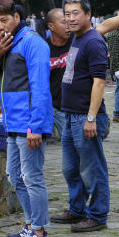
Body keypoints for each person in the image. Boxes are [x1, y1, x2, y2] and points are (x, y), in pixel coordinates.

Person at [51, 0, 119, 232]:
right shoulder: (81, 35)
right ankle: (77, 209)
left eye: (76, 13)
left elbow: (99, 82)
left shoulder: (92, 42)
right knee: (70, 168)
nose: (71, 18)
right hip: (71, 113)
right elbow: (107, 24)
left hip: (86, 115)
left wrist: (92, 118)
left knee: (92, 168)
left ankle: (97, 215)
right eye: (67, 14)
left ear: (87, 15)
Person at [0, 0, 54, 237]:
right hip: (12, 123)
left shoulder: (33, 43)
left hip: (29, 124)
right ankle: (31, 223)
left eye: (4, 20)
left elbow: (40, 88)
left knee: (32, 177)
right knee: (15, 176)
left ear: (16, 18)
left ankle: (39, 231)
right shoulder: (4, 45)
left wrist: (36, 127)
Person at [44, 8, 71, 143]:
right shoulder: (42, 48)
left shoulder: (77, 42)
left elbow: (103, 28)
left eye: (69, 22)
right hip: (49, 105)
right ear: (51, 26)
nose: (68, 26)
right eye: (63, 23)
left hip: (71, 107)